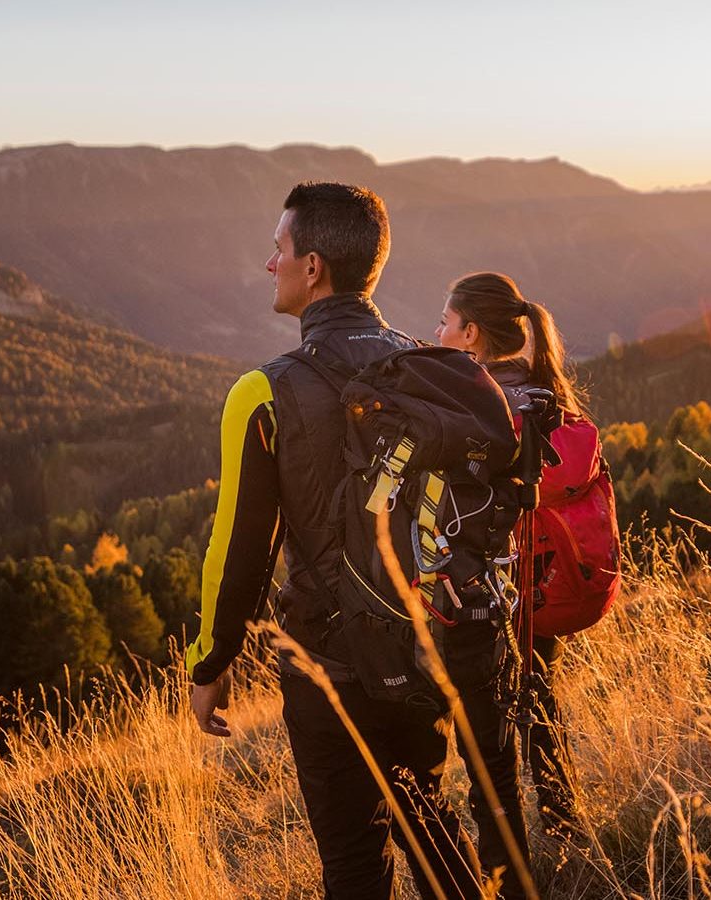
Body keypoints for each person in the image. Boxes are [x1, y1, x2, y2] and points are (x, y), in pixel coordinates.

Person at [185, 182, 486, 899]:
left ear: (312, 266)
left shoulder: (262, 393)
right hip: (420, 646)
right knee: (432, 829)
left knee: (353, 863)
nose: (270, 264)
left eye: (279, 249)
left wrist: (212, 660)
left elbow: (239, 549)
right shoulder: (427, 369)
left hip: (327, 664)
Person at [433, 272, 585, 853]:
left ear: (471, 334)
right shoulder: (545, 392)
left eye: (445, 323)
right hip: (541, 577)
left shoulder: (478, 404)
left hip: (487, 592)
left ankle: (504, 866)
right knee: (541, 697)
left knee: (486, 736)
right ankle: (566, 825)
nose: (437, 332)